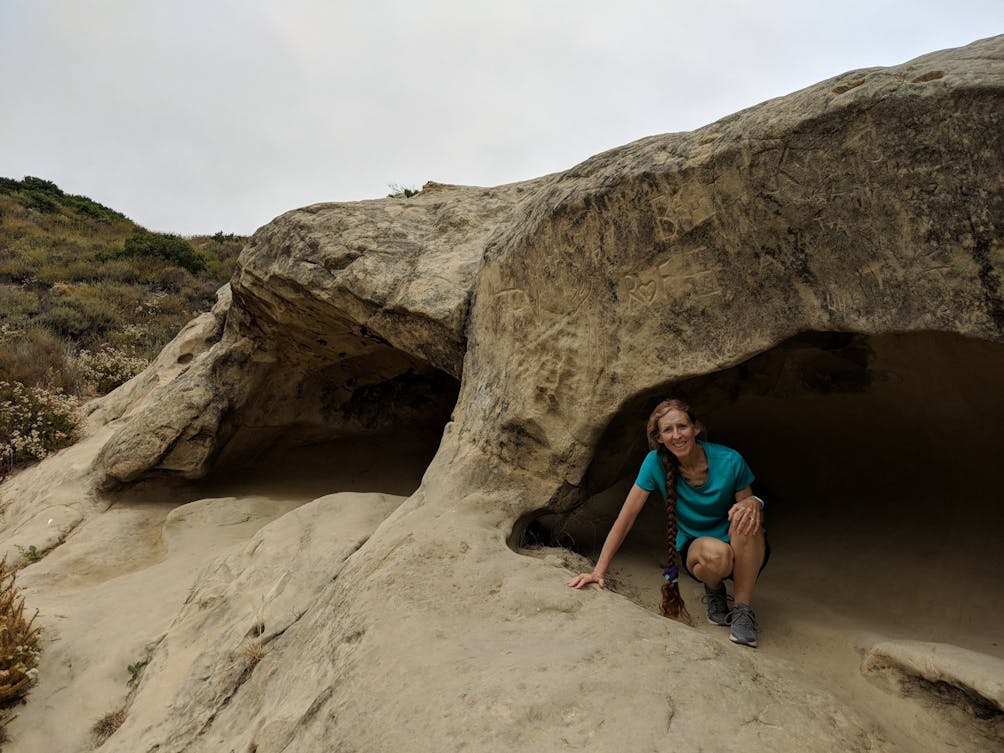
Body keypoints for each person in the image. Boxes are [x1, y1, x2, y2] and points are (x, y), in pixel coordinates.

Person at [567, 398, 768, 648]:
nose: (677, 435)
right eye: (668, 430)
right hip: (701, 548)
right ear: (659, 438)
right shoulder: (655, 462)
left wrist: (754, 502)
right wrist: (599, 570)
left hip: (742, 544)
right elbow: (626, 518)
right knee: (716, 554)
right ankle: (714, 590)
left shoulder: (730, 460)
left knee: (745, 518)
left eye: (682, 427)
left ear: (695, 428)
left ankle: (742, 610)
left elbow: (748, 512)